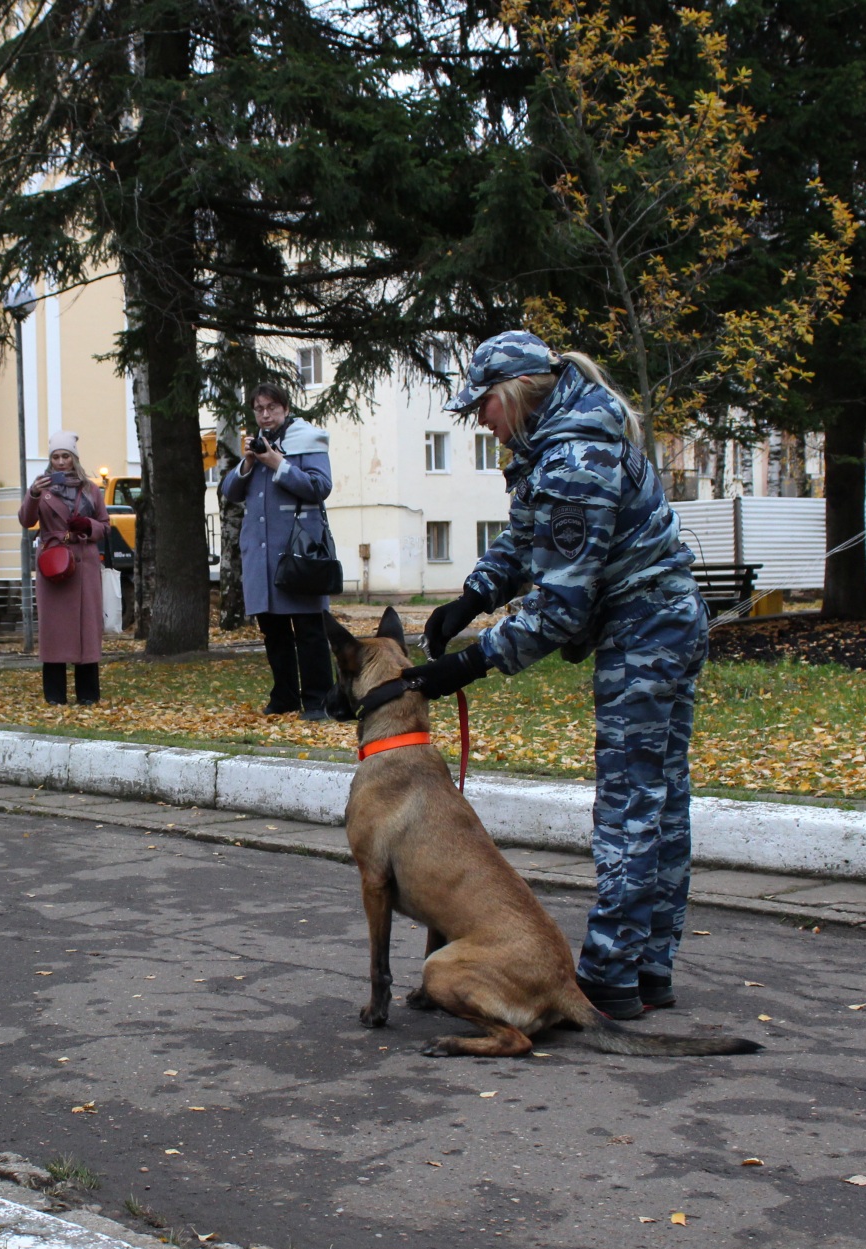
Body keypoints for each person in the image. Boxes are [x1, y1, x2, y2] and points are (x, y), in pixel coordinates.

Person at [408, 331, 705, 1022]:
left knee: (633, 804)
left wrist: (473, 660)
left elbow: (561, 608)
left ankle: (608, 975)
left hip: (645, 630)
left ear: (512, 393)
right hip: (665, 620)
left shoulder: (573, 457)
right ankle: (648, 968)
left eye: (482, 405)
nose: (480, 420)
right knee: (661, 799)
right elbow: (526, 538)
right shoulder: (560, 438)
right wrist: (474, 596)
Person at [218, 382, 337, 720]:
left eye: (272, 407)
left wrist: (278, 464)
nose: (265, 414)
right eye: (259, 409)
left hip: (299, 552)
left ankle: (317, 700)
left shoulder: (307, 439)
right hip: (262, 554)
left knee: (309, 629)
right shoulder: (255, 446)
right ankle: (284, 696)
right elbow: (231, 491)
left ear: (285, 408)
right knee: (274, 630)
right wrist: (248, 462)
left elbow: (320, 486)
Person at [19, 431, 106, 705]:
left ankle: (88, 695)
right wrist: (33, 494)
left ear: (74, 458)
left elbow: (105, 525)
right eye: (55, 457)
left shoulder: (91, 489)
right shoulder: (41, 489)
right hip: (54, 565)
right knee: (55, 630)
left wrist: (88, 526)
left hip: (84, 564)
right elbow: (25, 520)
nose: (60, 462)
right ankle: (55, 695)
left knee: (86, 629)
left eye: (65, 456)